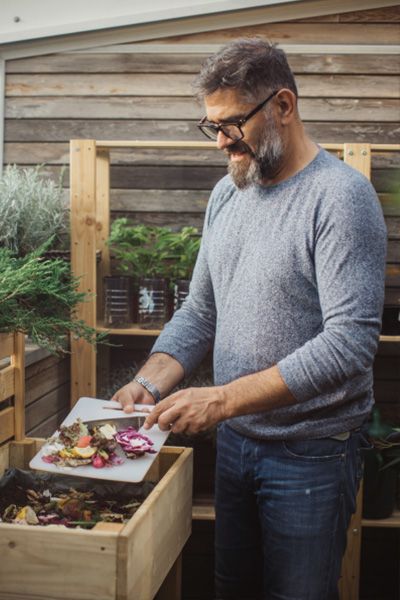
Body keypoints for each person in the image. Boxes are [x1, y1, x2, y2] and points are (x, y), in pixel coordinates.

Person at [112, 38, 387, 600]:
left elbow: (349, 344)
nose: (219, 142)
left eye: (232, 124)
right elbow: (201, 310)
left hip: (312, 452)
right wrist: (148, 382)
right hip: (237, 444)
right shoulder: (226, 195)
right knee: (231, 587)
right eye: (210, 125)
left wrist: (219, 399)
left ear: (283, 106)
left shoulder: (340, 198)